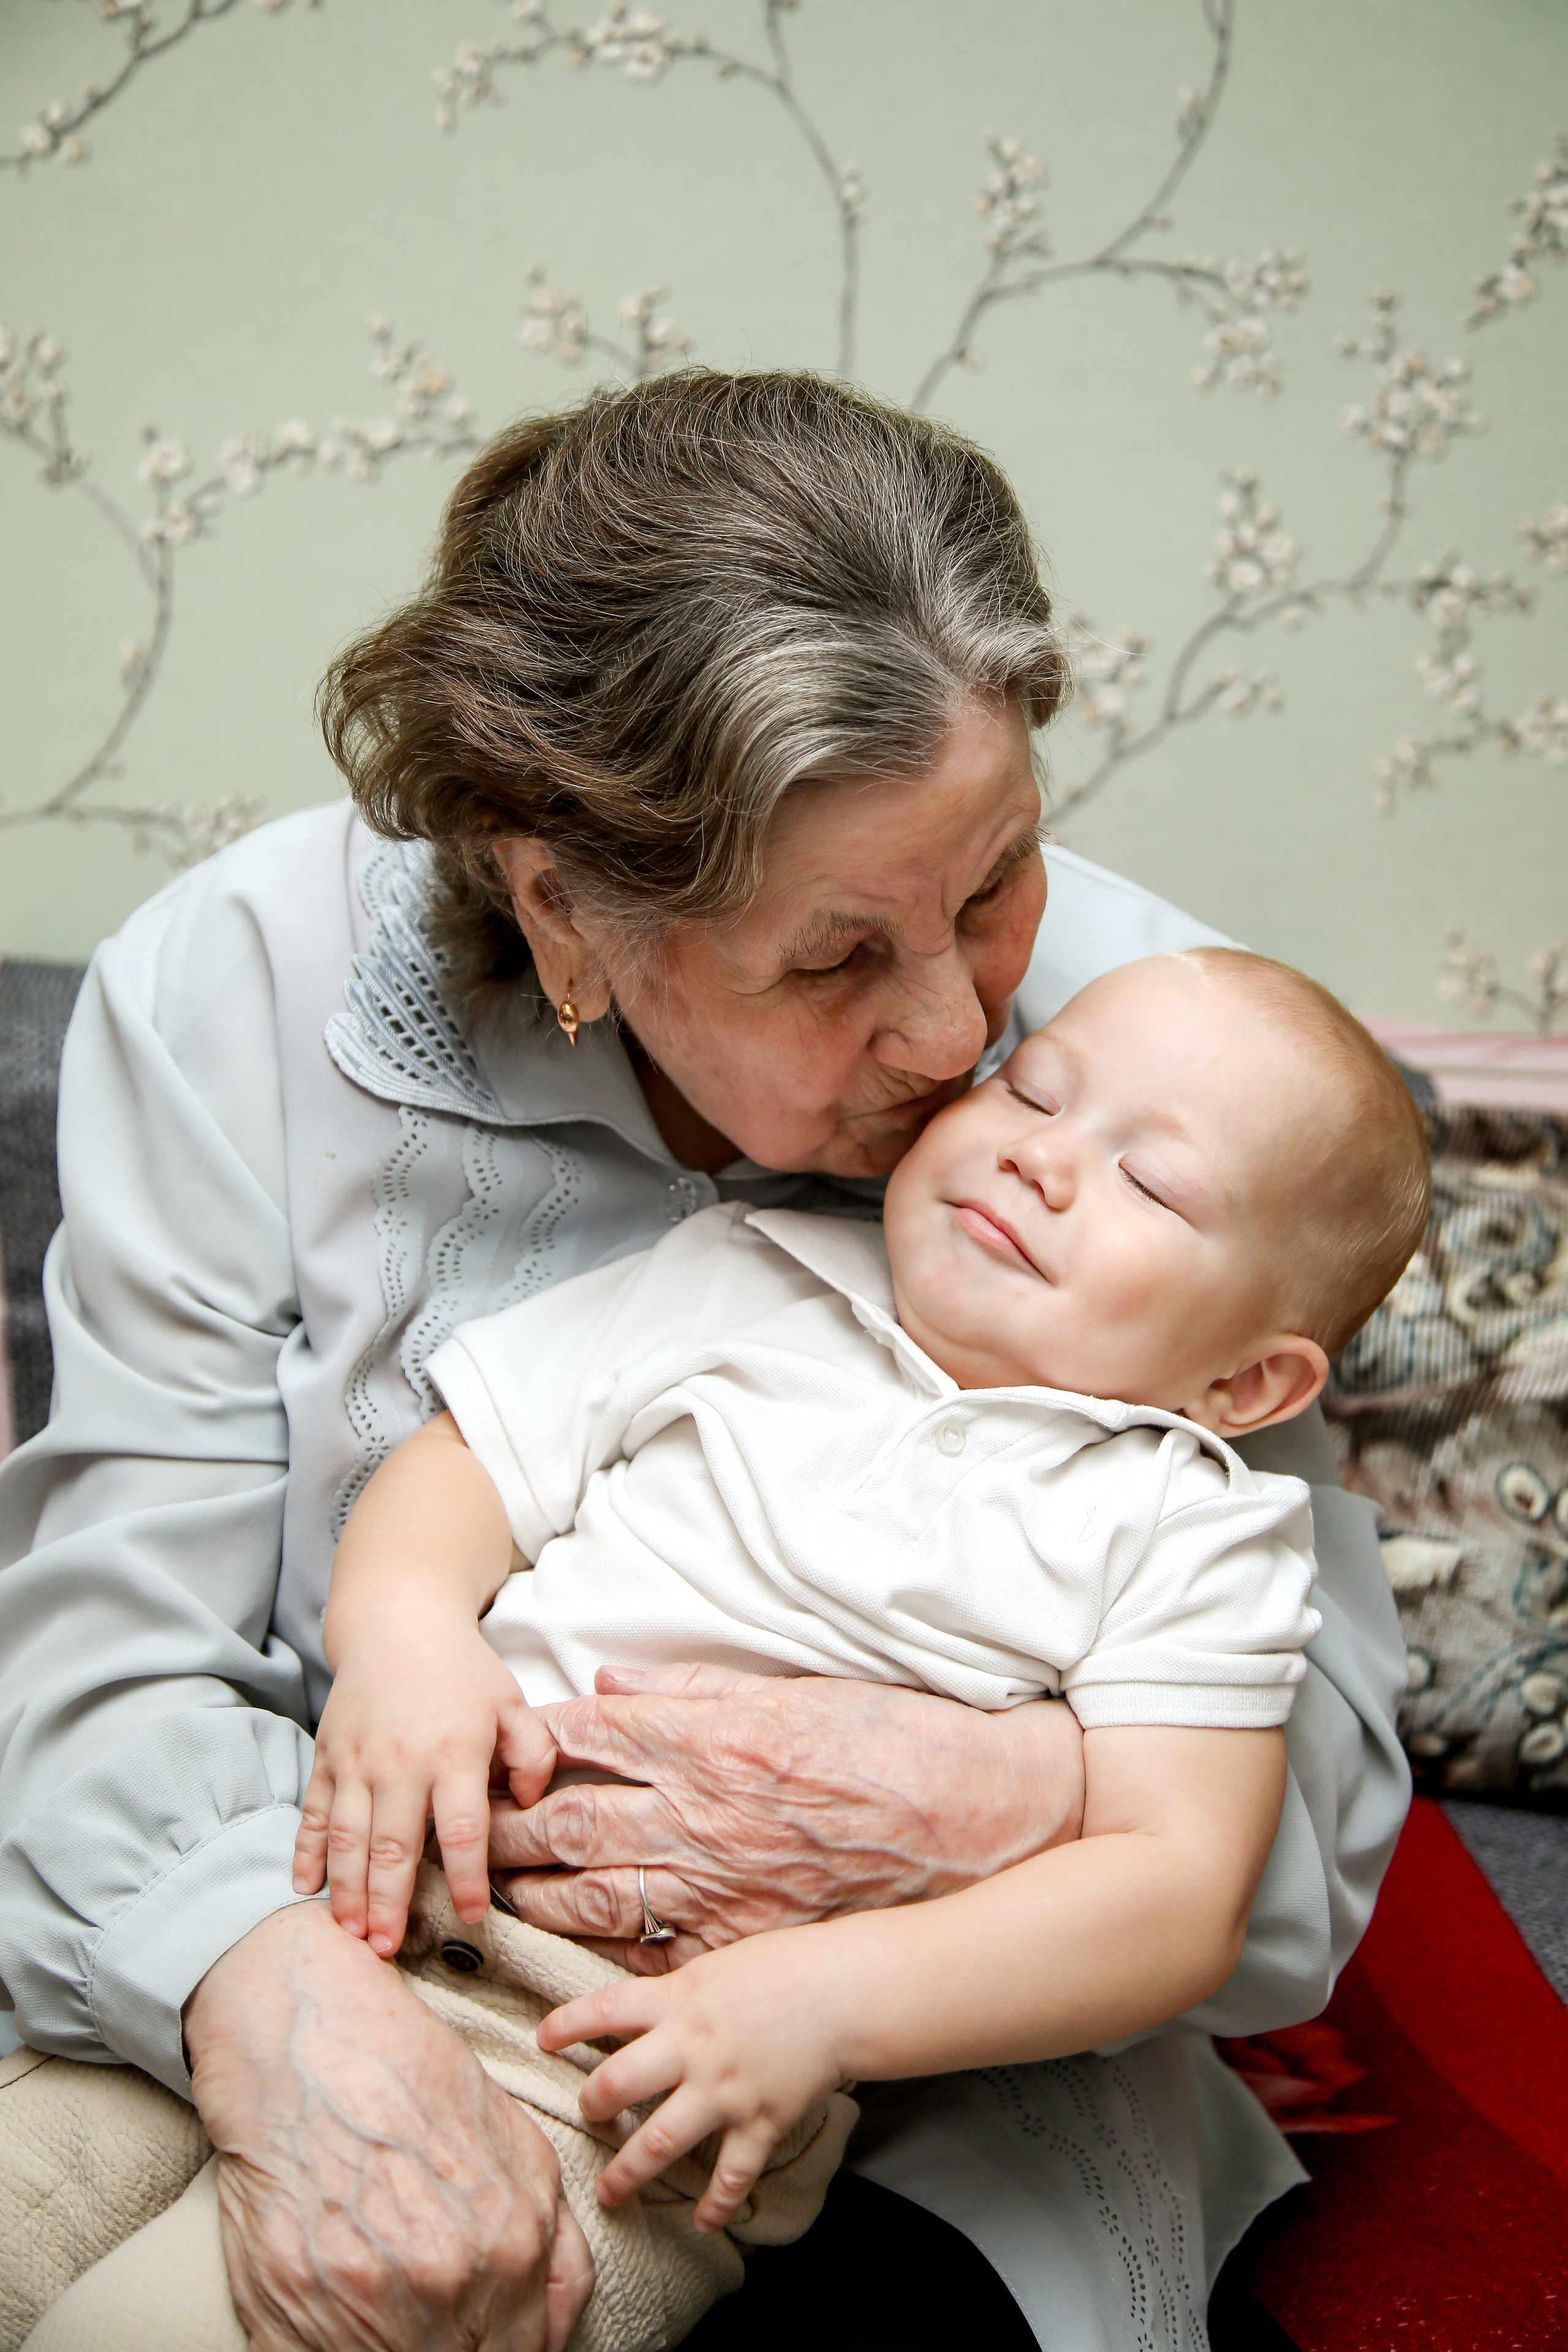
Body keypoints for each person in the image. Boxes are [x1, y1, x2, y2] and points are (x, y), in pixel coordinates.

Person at [0, 371, 1410, 2352]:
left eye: (999, 877)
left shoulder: (1168, 1070)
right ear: (565, 910)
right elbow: (108, 1659)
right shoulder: (236, 991)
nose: (957, 1040)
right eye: (834, 963)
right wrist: (282, 2007)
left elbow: (1307, 1816)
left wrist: (993, 1795)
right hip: (300, 1926)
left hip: (889, 2081)